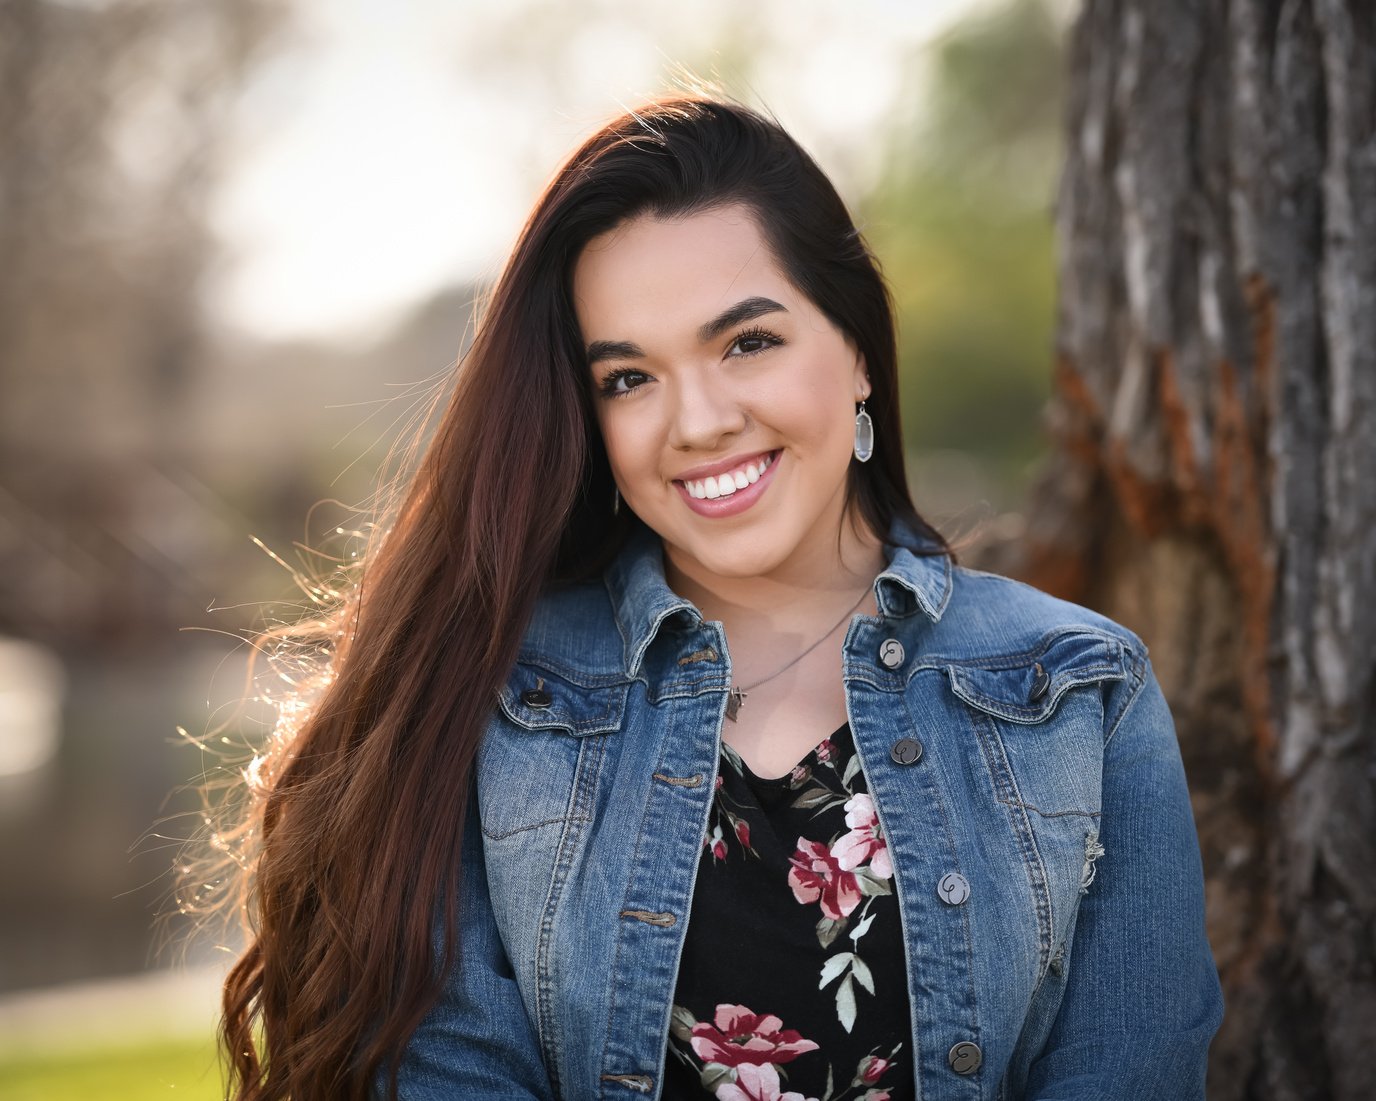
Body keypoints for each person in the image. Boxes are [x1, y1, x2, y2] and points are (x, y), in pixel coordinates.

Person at [215, 93, 1223, 1101]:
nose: (695, 422)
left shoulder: (1077, 692)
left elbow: (1129, 1065)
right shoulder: (498, 697)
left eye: (746, 343)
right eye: (627, 379)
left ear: (859, 349)